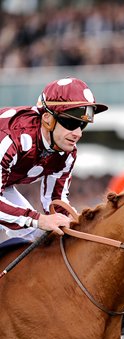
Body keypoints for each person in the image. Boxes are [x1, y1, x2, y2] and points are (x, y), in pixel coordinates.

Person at [0, 77, 107, 240]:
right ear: (47, 119)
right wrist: (39, 220)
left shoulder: (67, 153)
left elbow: (55, 200)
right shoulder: (11, 139)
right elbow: (39, 219)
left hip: (4, 186)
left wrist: (76, 222)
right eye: (71, 123)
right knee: (35, 224)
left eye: (82, 125)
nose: (78, 133)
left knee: (37, 236)